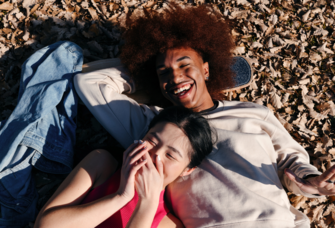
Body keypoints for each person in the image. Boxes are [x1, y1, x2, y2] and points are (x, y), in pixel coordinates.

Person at [74, 3, 335, 228]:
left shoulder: (253, 113)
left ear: (207, 70)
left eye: (185, 66)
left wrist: (310, 181)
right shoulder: (152, 126)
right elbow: (90, 83)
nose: (175, 77)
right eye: (164, 72)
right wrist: (145, 76)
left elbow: (290, 161)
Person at [34, 106, 214, 228]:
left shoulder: (169, 224)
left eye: (170, 155)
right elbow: (46, 225)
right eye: (152, 141)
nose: (155, 155)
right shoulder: (103, 163)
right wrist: (121, 196)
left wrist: (147, 203)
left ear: (187, 170)